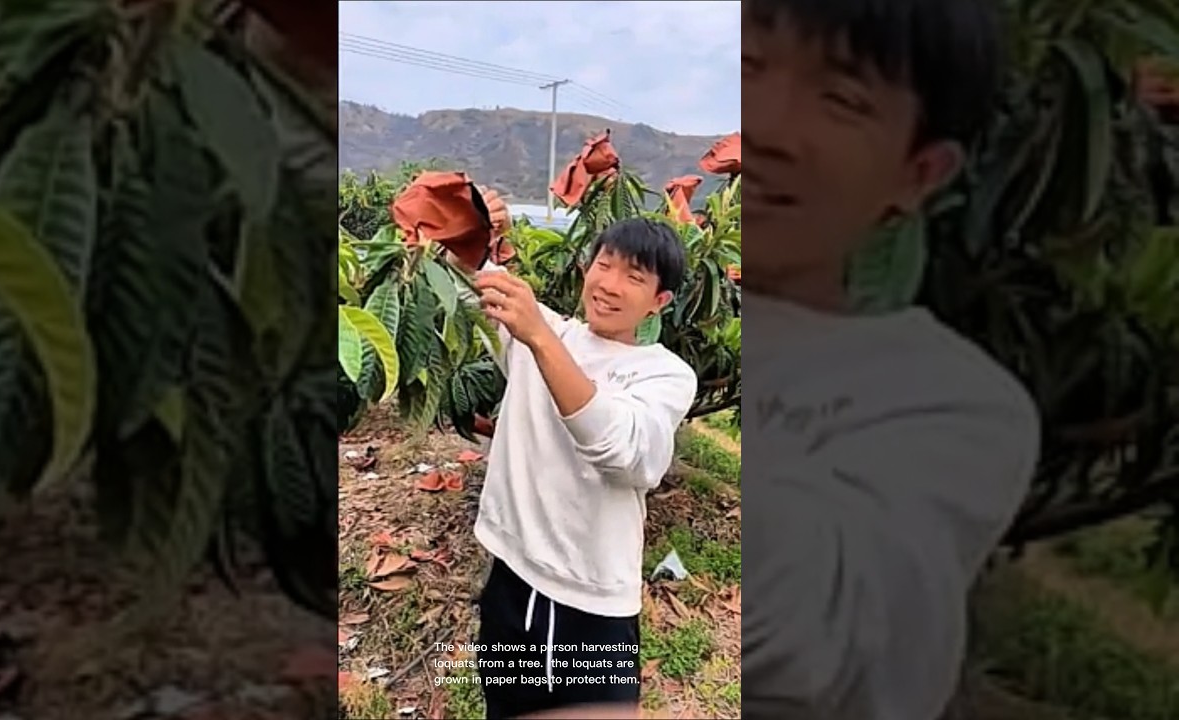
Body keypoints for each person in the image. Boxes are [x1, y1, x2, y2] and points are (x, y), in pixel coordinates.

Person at [742, 1, 1042, 719]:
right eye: (745, 65)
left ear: (919, 173)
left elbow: (822, 631)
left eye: (842, 98)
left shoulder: (952, 403)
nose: (763, 124)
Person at [439, 191, 698, 719]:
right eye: (604, 264)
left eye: (634, 276)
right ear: (586, 268)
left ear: (660, 301)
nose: (610, 284)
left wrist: (538, 336)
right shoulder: (546, 332)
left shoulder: (665, 374)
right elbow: (470, 273)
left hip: (592, 605)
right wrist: (473, 220)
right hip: (510, 580)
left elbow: (623, 451)